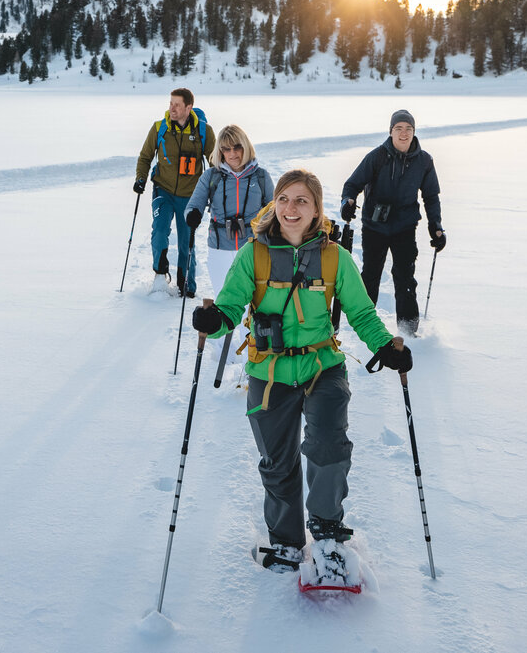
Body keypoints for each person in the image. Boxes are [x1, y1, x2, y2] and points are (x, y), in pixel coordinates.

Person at [191, 169, 412, 580]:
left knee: (329, 446)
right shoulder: (253, 255)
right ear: (275, 204)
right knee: (277, 462)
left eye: (302, 201)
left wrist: (384, 346)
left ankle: (327, 532)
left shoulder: (334, 257)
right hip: (268, 370)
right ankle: (286, 541)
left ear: (316, 210)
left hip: (321, 366)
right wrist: (211, 321)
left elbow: (362, 312)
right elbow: (229, 308)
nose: (291, 209)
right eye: (284, 199)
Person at [340, 109, 445, 336]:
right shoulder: (377, 156)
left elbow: (431, 196)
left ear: (414, 132)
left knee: (405, 277)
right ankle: (363, 324)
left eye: (408, 128)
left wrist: (435, 226)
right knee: (370, 275)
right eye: (399, 128)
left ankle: (408, 330)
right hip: (374, 226)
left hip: (405, 227)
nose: (404, 133)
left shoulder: (424, 161)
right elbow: (352, 185)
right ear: (391, 132)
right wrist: (347, 203)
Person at [134, 88, 214, 296]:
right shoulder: (159, 128)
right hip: (164, 190)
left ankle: (185, 281)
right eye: (170, 103)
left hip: (191, 195)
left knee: (187, 240)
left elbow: (216, 163)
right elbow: (145, 157)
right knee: (160, 231)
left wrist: (215, 188)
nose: (172, 108)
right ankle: (160, 276)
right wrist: (140, 179)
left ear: (189, 107)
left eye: (177, 105)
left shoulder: (204, 132)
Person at [185, 124, 274, 296]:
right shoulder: (211, 176)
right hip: (219, 248)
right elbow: (193, 204)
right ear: (220, 151)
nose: (232, 154)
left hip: (253, 248)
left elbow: (273, 210)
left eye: (237, 147)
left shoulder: (261, 176)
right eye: (226, 149)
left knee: (252, 301)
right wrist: (192, 214)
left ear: (246, 146)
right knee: (224, 299)